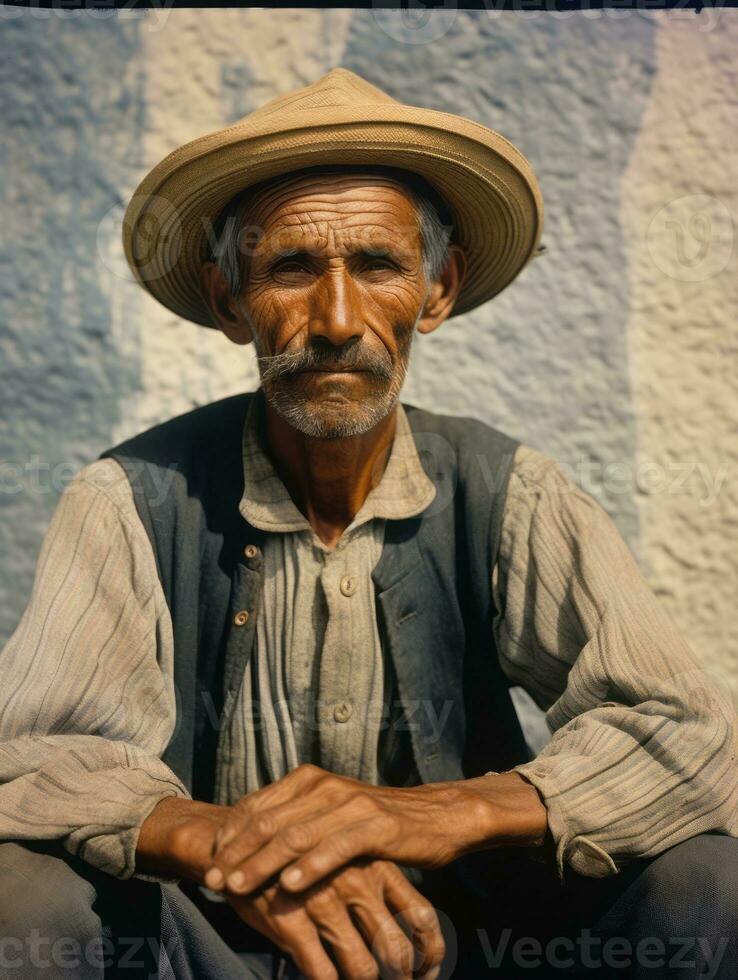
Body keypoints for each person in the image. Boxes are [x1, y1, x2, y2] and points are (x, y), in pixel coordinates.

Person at [0, 67, 736, 980]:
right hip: (208, 945)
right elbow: (24, 756)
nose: (338, 319)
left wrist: (440, 813)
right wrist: (230, 844)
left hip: (466, 947)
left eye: (379, 266)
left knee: (710, 883)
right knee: (17, 898)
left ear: (436, 290)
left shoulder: (511, 492)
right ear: (231, 300)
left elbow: (690, 735)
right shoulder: (129, 499)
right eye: (291, 269)